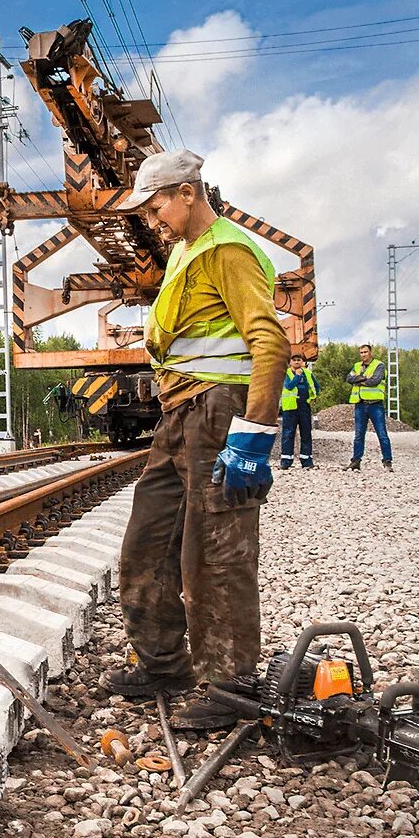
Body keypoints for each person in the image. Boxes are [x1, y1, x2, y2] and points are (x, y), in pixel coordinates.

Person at [98, 150, 289, 730]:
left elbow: (269, 343)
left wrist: (252, 436)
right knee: (148, 540)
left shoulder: (226, 251)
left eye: (156, 205)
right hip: (179, 413)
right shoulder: (186, 251)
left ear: (187, 192)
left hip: (218, 410)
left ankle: (232, 684)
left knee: (216, 550)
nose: (151, 218)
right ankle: (164, 663)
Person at [343, 344, 392, 472]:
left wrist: (358, 380)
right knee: (359, 435)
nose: (363, 354)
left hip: (375, 405)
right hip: (360, 404)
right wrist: (364, 378)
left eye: (365, 352)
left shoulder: (379, 365)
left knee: (382, 434)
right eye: (361, 352)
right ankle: (356, 461)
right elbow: (349, 378)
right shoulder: (357, 366)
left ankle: (387, 462)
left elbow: (374, 381)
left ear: (370, 352)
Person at [278, 353, 317, 469]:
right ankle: (286, 461)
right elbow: (289, 386)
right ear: (290, 362)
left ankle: (307, 461)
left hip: (304, 407)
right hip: (290, 408)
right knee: (288, 434)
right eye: (294, 360)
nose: (296, 362)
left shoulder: (308, 374)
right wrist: (297, 376)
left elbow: (316, 386)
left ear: (303, 362)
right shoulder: (287, 374)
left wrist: (314, 397)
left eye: (299, 360)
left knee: (306, 434)